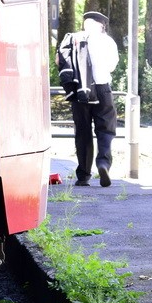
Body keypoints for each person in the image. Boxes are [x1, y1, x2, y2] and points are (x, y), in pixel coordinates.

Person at [56, 11, 120, 187]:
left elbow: (59, 61)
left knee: (83, 131)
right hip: (102, 89)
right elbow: (112, 66)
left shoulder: (74, 38)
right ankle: (103, 163)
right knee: (106, 129)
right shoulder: (107, 41)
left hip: (80, 90)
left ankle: (83, 175)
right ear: (102, 25)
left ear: (85, 24)